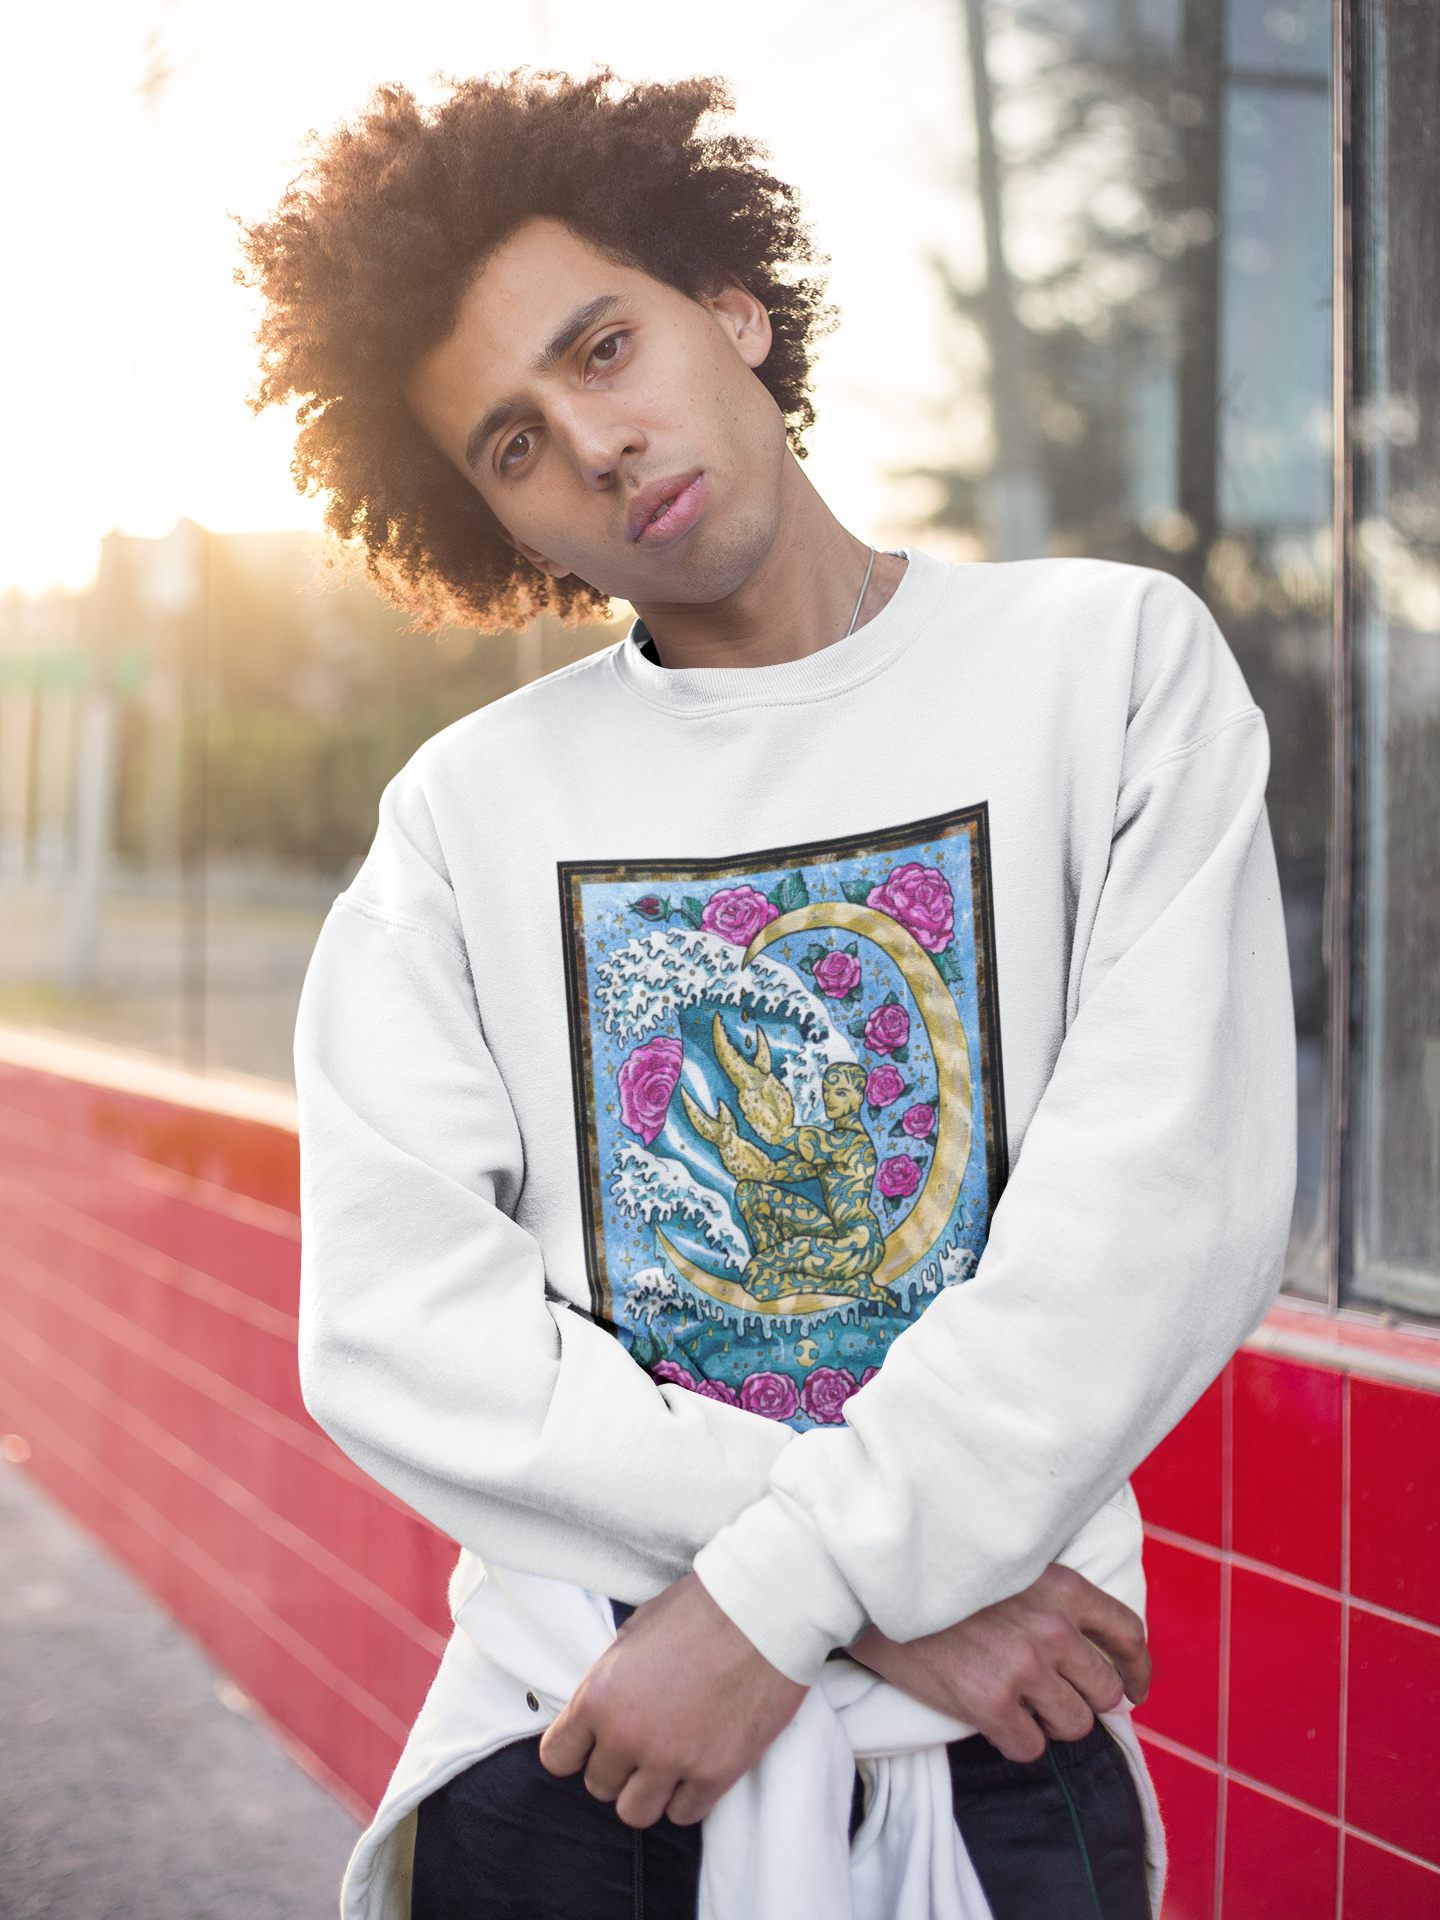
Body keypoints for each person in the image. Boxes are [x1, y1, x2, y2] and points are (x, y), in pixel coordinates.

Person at [242, 69, 1296, 1920]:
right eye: (510, 440)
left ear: (731, 307)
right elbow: (397, 1327)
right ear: (502, 528)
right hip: (581, 1744)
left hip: (992, 1776)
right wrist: (883, 1601)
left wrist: (779, 1603)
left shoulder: (1108, 669)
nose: (593, 439)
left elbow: (1153, 1224)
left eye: (604, 343)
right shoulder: (466, 819)